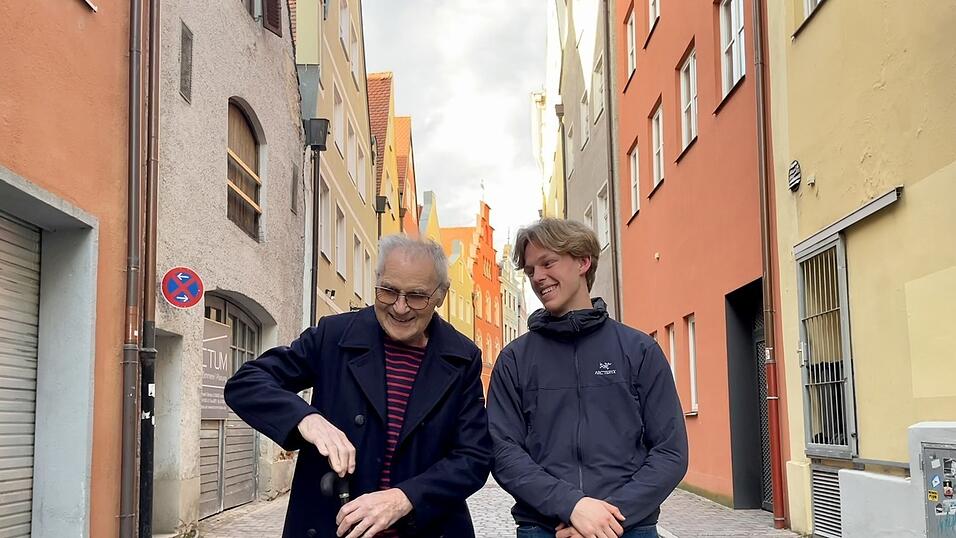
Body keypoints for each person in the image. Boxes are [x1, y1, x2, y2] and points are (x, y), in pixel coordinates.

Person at [224, 235, 492, 538]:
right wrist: (306, 419)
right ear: (376, 282)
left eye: (417, 296)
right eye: (388, 291)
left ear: (441, 295)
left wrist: (405, 498)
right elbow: (247, 382)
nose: (400, 308)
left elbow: (473, 457)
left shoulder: (462, 357)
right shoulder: (334, 335)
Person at [487, 218, 688, 538]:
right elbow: (503, 452)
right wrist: (572, 506)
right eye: (529, 271)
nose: (537, 277)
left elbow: (670, 451)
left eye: (547, 262)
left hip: (629, 528)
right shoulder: (515, 360)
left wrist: (605, 520)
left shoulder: (639, 351)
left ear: (583, 261)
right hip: (545, 529)